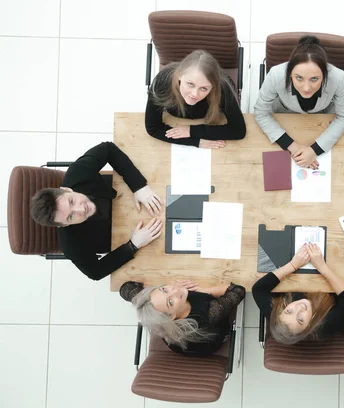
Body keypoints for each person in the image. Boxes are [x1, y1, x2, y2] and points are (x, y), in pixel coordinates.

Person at [30, 142, 163, 281]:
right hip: (125, 236)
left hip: (125, 196)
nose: (81, 209)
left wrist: (138, 186)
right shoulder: (71, 245)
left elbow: (108, 149)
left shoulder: (77, 173)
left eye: (71, 201)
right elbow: (95, 272)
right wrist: (133, 245)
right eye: (70, 217)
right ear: (63, 225)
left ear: (67, 189)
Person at [254, 36, 344, 170]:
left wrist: (314, 150)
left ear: (325, 74)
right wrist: (294, 148)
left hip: (322, 118)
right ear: (289, 73)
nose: (306, 88)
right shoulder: (276, 75)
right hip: (284, 115)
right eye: (299, 78)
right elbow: (261, 113)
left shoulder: (338, 77)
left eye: (314, 79)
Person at [252, 243, 344, 344]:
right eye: (300, 319)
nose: (299, 308)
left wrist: (293, 265)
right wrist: (322, 267)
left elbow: (258, 289)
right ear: (308, 327)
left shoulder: (277, 317)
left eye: (289, 311)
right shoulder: (327, 324)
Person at [145, 50, 246, 149]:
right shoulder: (163, 81)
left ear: (213, 87)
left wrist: (191, 131)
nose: (194, 94)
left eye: (204, 88)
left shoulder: (222, 88)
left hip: (206, 118)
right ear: (179, 75)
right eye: (190, 84)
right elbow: (153, 128)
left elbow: (238, 130)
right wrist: (196, 142)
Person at [122, 280, 245, 356]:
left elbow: (125, 288)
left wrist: (160, 290)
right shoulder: (209, 314)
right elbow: (238, 291)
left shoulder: (151, 303)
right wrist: (203, 291)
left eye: (164, 289)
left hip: (178, 342)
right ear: (171, 316)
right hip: (211, 341)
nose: (175, 291)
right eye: (170, 302)